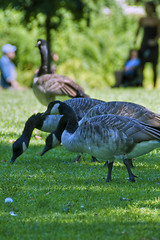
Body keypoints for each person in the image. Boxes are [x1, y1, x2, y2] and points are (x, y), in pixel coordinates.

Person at [134, 1, 160, 88]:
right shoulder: (142, 19)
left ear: (152, 9)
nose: (146, 9)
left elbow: (159, 33)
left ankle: (154, 85)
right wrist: (135, 40)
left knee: (154, 65)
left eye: (148, 7)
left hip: (153, 45)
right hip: (144, 44)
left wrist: (154, 41)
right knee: (142, 65)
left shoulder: (157, 20)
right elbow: (138, 30)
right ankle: (141, 83)